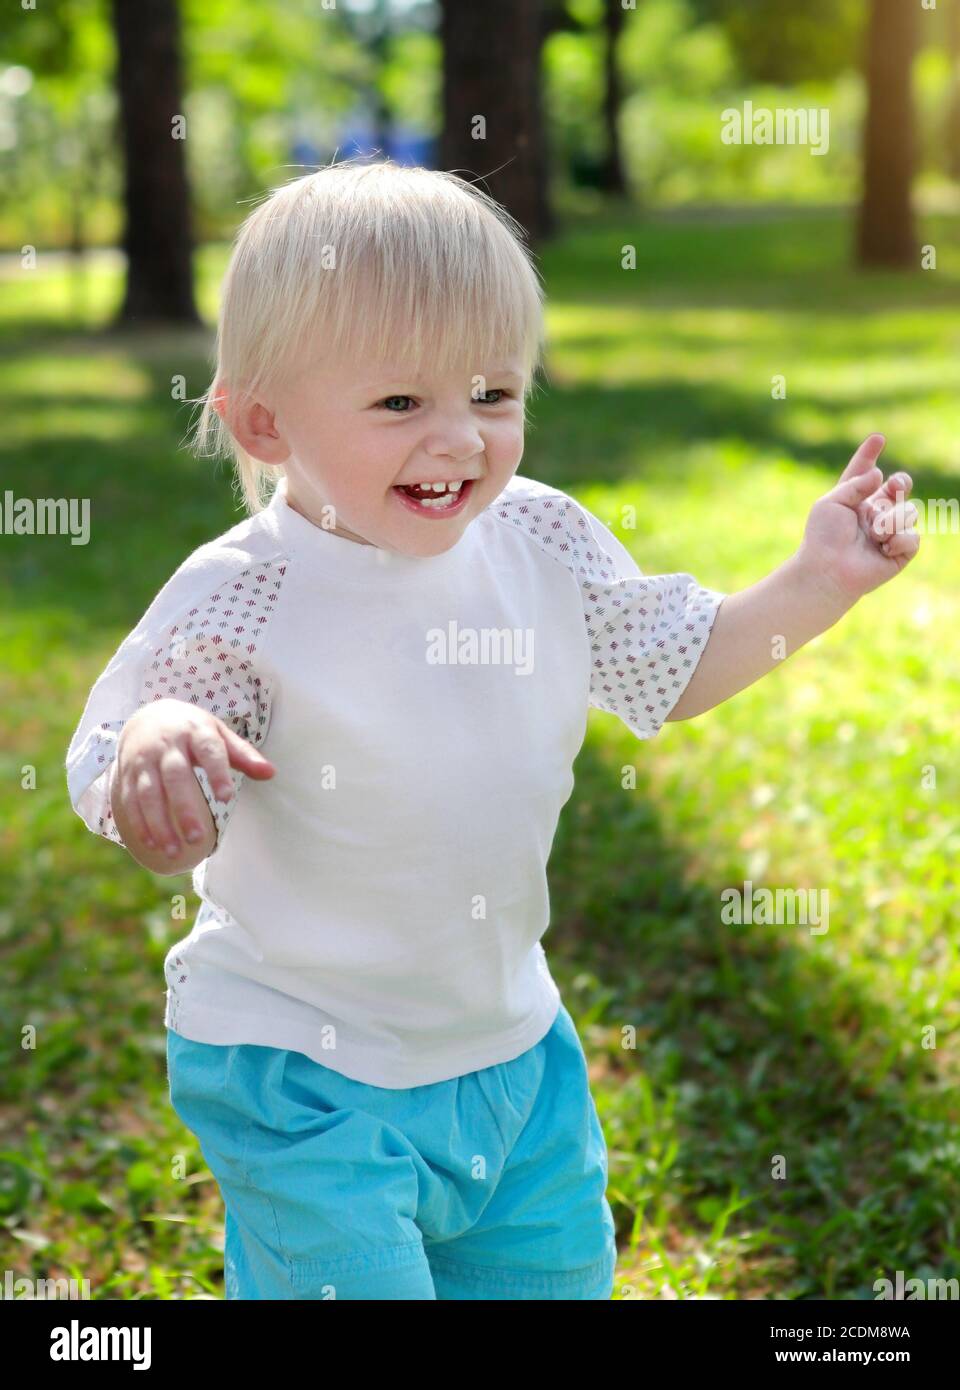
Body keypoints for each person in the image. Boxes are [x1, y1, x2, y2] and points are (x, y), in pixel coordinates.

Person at [64, 158, 920, 1301]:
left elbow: (675, 661)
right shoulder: (247, 593)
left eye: (494, 394)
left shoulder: (542, 542)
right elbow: (123, 750)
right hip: (297, 1066)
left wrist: (818, 581)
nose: (461, 438)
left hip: (510, 1053)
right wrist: (159, 745)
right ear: (264, 421)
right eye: (401, 404)